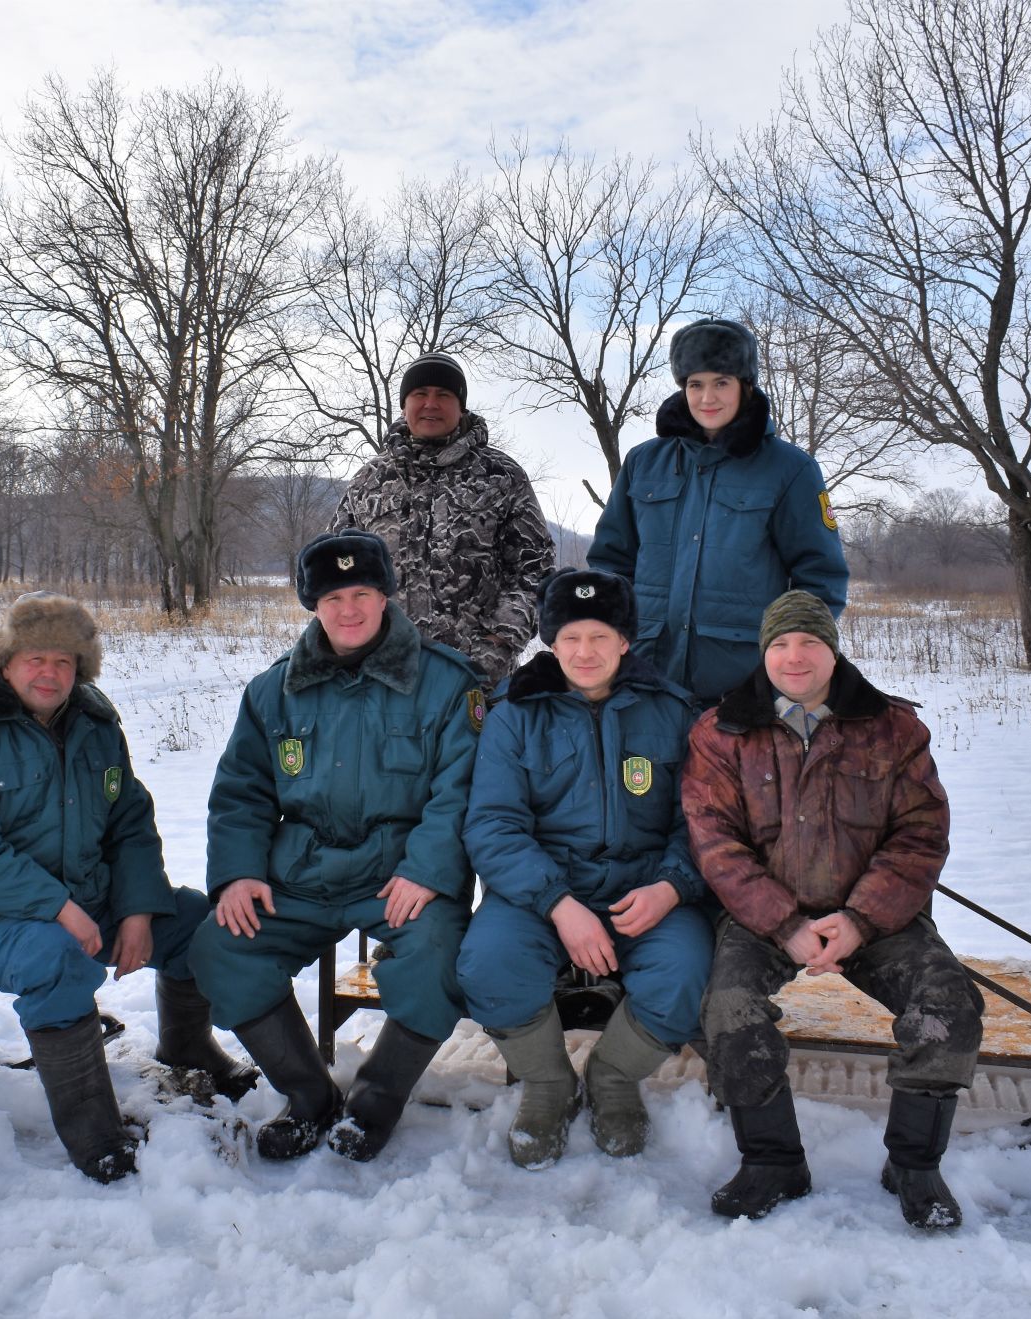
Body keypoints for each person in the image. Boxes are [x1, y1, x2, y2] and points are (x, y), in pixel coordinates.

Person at [0, 592, 254, 1184]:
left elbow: (130, 825)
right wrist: (58, 908)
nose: (50, 672)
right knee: (55, 958)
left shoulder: (95, 728)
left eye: (64, 661)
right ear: (6, 663)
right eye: (35, 659)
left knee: (198, 924)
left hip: (91, 898)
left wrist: (141, 910)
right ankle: (93, 1131)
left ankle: (189, 1049)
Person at [681, 590, 982, 1230]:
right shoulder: (721, 732)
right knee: (729, 1011)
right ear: (763, 651)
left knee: (948, 1004)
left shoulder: (893, 728)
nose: (795, 657)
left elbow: (922, 832)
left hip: (876, 918)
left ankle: (915, 1166)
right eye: (781, 643)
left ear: (833, 648)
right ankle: (772, 1162)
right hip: (765, 922)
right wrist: (785, 924)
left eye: (810, 642)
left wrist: (862, 919)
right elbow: (715, 843)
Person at [189, 530, 484, 1162]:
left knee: (440, 953)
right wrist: (238, 873)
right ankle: (308, 1098)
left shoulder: (445, 683)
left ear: (385, 596)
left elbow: (459, 792)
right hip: (302, 873)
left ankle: (376, 1102)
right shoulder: (273, 692)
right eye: (331, 598)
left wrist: (429, 871)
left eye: (360, 593)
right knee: (222, 945)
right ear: (310, 605)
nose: (347, 610)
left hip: (399, 875)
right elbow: (240, 791)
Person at [458, 568, 709, 1169]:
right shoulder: (514, 714)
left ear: (626, 641)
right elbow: (492, 825)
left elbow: (703, 823)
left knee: (685, 971)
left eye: (600, 636)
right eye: (570, 637)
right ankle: (548, 1084)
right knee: (487, 963)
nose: (585, 651)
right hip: (543, 891)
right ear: (550, 642)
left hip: (645, 887)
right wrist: (559, 905)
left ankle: (613, 1077)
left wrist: (672, 888)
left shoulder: (674, 712)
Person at [589, 318, 849, 705]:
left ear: (746, 385)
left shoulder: (790, 469)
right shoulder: (644, 462)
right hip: (645, 678)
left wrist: (788, 660)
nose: (707, 398)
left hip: (743, 686)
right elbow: (611, 566)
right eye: (696, 384)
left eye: (721, 382)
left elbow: (820, 579)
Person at [332, 351, 555, 688]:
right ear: (405, 405)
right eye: (420, 394)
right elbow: (335, 571)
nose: (431, 404)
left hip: (477, 678)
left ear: (460, 406)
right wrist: (356, 643)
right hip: (384, 675)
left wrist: (497, 643)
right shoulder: (370, 480)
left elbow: (536, 569)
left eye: (444, 395)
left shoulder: (501, 475)